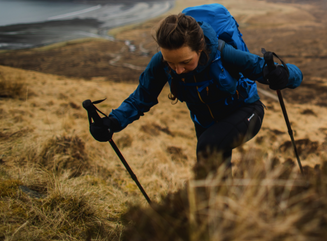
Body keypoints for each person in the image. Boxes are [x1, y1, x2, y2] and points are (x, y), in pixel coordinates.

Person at [89, 12, 303, 167]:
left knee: (209, 147)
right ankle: (225, 220)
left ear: (200, 49)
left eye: (185, 62)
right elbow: (142, 97)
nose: (178, 70)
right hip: (204, 123)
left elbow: (281, 72)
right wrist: (113, 122)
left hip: (246, 111)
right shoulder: (160, 63)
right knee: (212, 173)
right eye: (171, 63)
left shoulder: (223, 54)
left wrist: (285, 75)